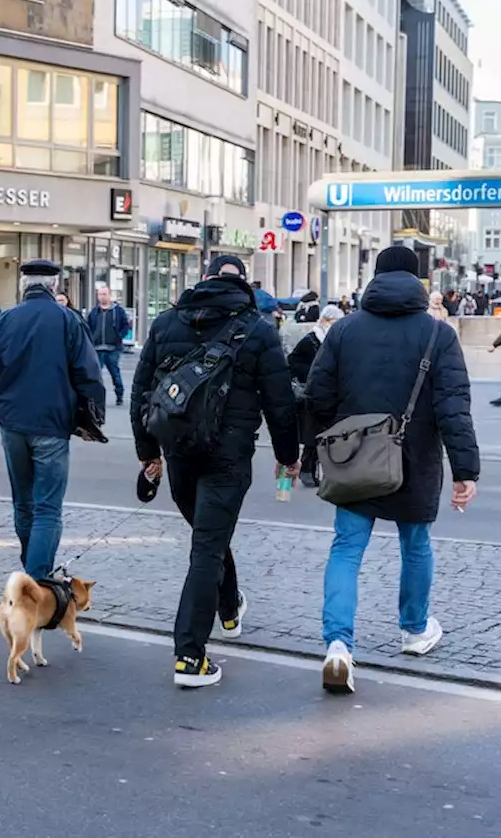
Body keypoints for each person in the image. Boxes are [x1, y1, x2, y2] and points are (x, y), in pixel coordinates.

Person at [306, 246, 480, 694]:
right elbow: (454, 408)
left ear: (375, 279)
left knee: (346, 549)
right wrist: (466, 470)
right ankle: (415, 630)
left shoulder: (343, 331)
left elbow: (316, 397)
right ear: (419, 281)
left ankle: (339, 646)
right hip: (415, 457)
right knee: (416, 544)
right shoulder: (437, 336)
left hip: (353, 457)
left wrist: (313, 453)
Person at [130, 255, 300, 688]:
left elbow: (142, 392)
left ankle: (228, 610)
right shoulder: (259, 331)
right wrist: (287, 454)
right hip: (229, 455)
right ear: (243, 284)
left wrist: (149, 452)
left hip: (180, 453)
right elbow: (279, 402)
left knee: (208, 537)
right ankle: (190, 656)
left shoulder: (167, 323)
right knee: (207, 546)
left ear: (203, 279)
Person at [0, 260, 104, 584]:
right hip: (52, 424)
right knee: (47, 507)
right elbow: (89, 376)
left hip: (13, 424)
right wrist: (88, 419)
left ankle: (31, 572)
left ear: (24, 287)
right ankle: (36, 583)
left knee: (24, 503)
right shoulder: (67, 321)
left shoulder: (4, 321)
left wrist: (0, 410)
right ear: (54, 287)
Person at [288, 305, 343, 489]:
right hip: (311, 395)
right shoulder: (311, 340)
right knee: (313, 436)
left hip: (329, 393)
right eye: (334, 322)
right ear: (326, 320)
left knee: (325, 435)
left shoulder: (331, 341)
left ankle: (317, 471)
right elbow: (293, 363)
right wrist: (311, 373)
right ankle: (307, 470)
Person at [86, 285, 131, 407]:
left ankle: (119, 395)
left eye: (104, 294)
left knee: (115, 373)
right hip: (97, 348)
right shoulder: (94, 312)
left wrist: (119, 336)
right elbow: (88, 327)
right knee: (95, 375)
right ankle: (95, 398)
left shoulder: (118, 311)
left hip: (113, 348)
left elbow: (126, 326)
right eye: (100, 294)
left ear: (110, 295)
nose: (102, 297)